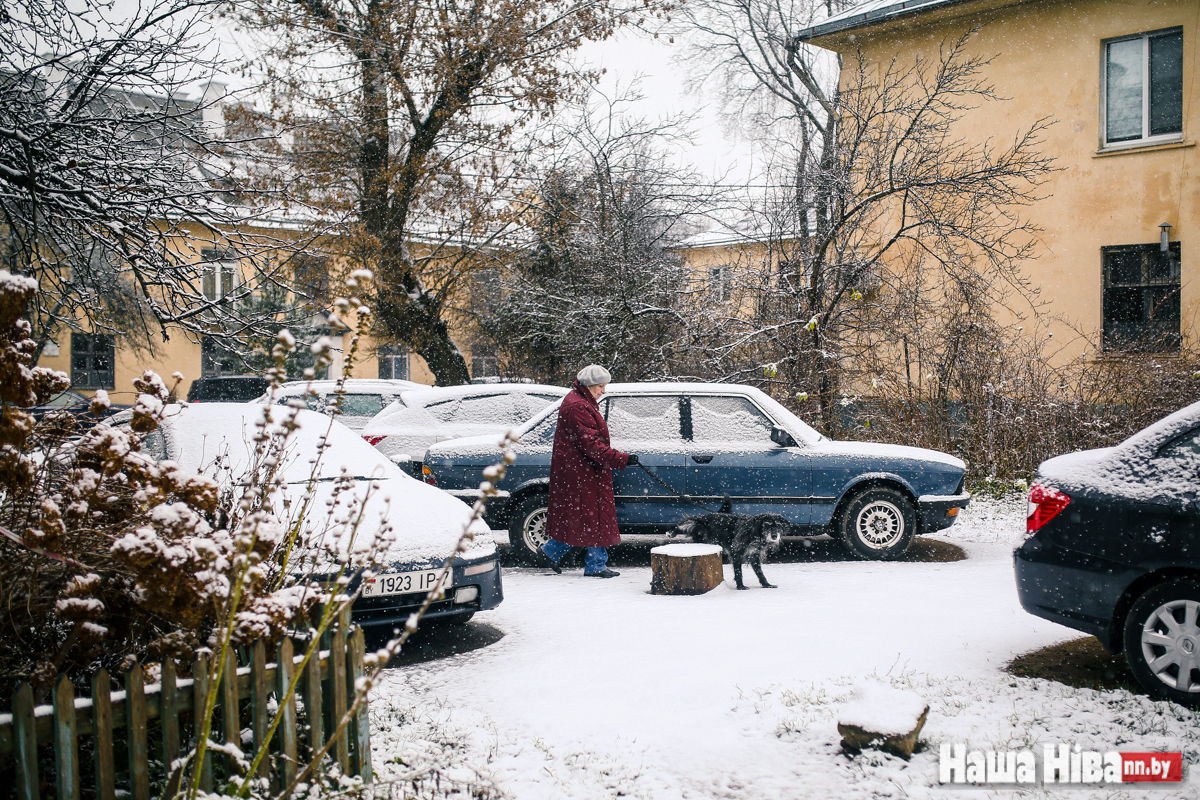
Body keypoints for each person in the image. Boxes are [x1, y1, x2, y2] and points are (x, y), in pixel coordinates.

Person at [541, 364, 638, 578]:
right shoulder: (578, 406)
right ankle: (595, 565)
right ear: (589, 385)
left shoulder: (580, 400)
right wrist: (620, 458)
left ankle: (553, 551)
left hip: (581, 470)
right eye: (601, 386)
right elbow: (591, 444)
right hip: (583, 471)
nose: (604, 390)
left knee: (586, 517)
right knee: (593, 517)